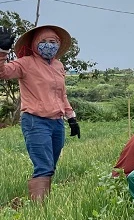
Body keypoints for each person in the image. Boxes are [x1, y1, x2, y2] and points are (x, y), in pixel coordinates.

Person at [0, 25, 81, 202]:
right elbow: (3, 73)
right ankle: (40, 210)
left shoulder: (59, 65)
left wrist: (71, 118)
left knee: (51, 165)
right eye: (43, 42)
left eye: (52, 42)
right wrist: (2, 51)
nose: (48, 45)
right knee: (43, 166)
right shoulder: (25, 63)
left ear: (58, 44)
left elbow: (62, 94)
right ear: (35, 44)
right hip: (35, 121)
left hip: (57, 123)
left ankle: (43, 202)